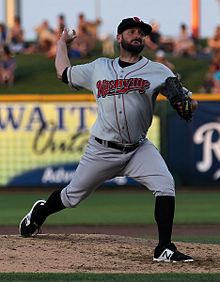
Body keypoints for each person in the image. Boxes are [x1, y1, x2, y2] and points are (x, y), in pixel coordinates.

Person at [19, 17, 196, 263]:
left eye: (141, 33)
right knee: (71, 197)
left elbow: (187, 100)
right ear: (119, 38)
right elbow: (63, 72)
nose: (137, 35)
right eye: (131, 31)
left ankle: (164, 248)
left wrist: (186, 103)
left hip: (138, 149)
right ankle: (39, 213)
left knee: (165, 184)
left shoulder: (159, 70)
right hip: (102, 150)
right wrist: (62, 44)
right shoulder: (99, 67)